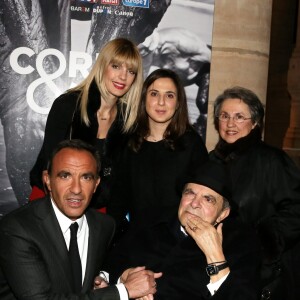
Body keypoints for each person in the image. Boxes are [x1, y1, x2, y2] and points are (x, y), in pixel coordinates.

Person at [0, 139, 161, 299]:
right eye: (65, 176)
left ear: (96, 184)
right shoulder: (17, 229)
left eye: (86, 177)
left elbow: (85, 282)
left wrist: (115, 279)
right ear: (47, 180)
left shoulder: (103, 225)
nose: (76, 189)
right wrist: (123, 291)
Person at [104, 160, 261, 300]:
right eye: (190, 193)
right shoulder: (150, 221)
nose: (194, 203)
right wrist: (126, 276)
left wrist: (215, 257)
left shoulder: (240, 243)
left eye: (208, 199)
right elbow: (110, 262)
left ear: (223, 214)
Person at [30, 38, 144, 208]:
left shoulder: (128, 121)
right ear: (102, 66)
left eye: (131, 71)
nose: (123, 76)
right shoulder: (68, 105)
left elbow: (121, 178)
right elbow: (49, 162)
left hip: (97, 208)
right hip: (51, 200)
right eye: (116, 66)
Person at [209, 86, 300, 300]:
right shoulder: (211, 161)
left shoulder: (273, 160)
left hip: (263, 272)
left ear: (255, 122)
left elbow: (296, 209)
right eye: (224, 116)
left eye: (239, 117)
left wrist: (264, 241)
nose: (230, 123)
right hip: (218, 264)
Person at [106, 68, 208, 234]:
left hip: (179, 244)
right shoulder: (128, 144)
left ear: (178, 103)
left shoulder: (191, 144)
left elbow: (203, 201)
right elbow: (117, 201)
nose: (161, 102)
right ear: (144, 99)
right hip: (136, 242)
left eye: (169, 95)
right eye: (154, 94)